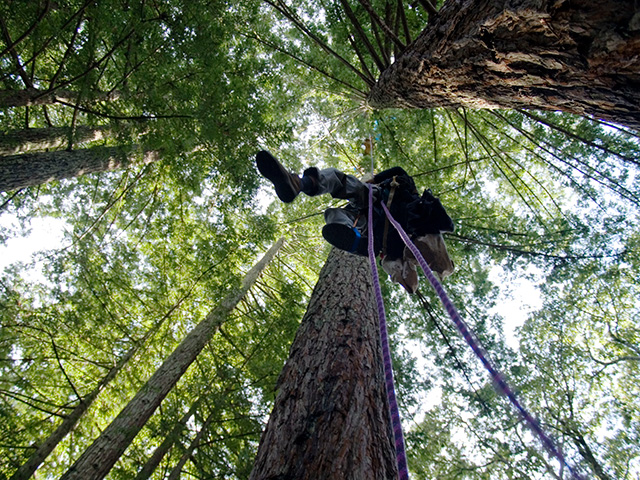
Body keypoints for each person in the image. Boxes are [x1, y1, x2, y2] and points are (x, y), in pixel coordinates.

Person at [256, 150, 455, 293]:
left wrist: (373, 178)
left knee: (345, 183)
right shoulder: (408, 203)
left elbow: (398, 170)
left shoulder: (404, 193)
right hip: (373, 222)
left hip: (382, 206)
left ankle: (303, 183)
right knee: (332, 213)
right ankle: (300, 185)